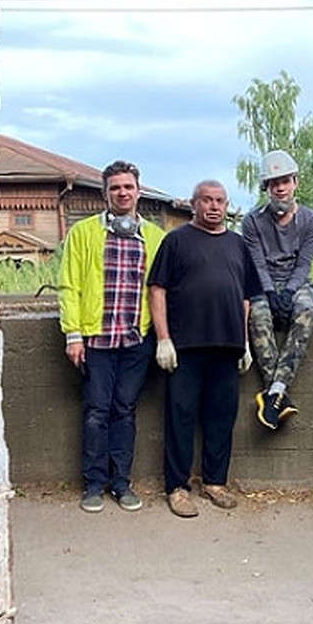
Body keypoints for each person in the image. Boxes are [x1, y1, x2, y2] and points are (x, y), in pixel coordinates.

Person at [57, 159, 166, 513]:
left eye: (128, 187)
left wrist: (162, 338)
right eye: (115, 187)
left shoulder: (154, 237)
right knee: (95, 412)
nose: (122, 193)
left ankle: (121, 483)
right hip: (97, 341)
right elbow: (69, 285)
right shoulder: (84, 234)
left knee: (125, 411)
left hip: (136, 341)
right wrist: (73, 335)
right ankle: (93, 484)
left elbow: (162, 291)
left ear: (138, 192)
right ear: (105, 194)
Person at [148, 180, 260, 518]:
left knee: (220, 417)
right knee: (180, 417)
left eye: (220, 201)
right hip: (186, 346)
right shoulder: (176, 241)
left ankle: (214, 482)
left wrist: (244, 342)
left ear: (227, 206)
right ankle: (177, 487)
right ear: (194, 204)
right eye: (206, 200)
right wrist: (163, 338)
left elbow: (245, 298)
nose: (214, 206)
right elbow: (157, 290)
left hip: (227, 346)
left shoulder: (238, 245)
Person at [241, 150, 313, 430]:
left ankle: (274, 391)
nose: (280, 188)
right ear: (267, 187)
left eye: (285, 181)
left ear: (295, 182)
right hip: (264, 283)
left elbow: (305, 264)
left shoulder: (311, 221)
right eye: (274, 183)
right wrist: (269, 292)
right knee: (259, 315)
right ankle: (278, 394)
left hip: (297, 282)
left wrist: (288, 292)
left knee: (306, 309)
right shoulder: (252, 222)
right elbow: (256, 263)